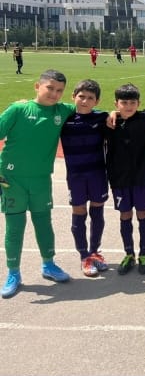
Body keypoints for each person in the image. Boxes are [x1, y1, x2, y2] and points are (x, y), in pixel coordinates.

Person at [0, 70, 75, 298]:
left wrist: (112, 113)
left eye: (59, 90)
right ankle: (13, 273)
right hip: (12, 179)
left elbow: (87, 108)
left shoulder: (62, 111)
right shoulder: (18, 109)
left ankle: (48, 265)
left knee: (43, 223)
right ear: (37, 86)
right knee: (15, 226)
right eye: (50, 88)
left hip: (41, 179)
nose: (54, 93)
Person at [105, 83, 145, 275]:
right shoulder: (109, 122)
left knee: (142, 213)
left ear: (139, 103)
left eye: (132, 103)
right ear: (116, 103)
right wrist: (111, 114)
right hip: (119, 179)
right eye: (124, 103)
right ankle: (129, 254)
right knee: (125, 214)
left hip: (142, 178)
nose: (128, 106)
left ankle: (144, 254)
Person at [61, 79, 110, 277]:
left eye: (90, 98)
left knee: (97, 212)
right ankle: (84, 256)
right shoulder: (64, 118)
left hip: (97, 174)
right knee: (79, 212)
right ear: (73, 97)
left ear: (96, 101)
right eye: (81, 96)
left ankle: (95, 251)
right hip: (76, 176)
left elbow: (119, 116)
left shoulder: (102, 118)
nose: (85, 101)